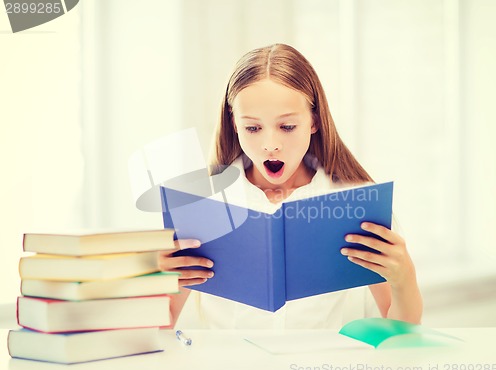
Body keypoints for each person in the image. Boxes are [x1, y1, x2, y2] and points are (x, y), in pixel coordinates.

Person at [159, 43, 422, 328]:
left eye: (286, 127)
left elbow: (400, 330)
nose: (270, 145)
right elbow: (164, 322)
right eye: (253, 128)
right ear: (234, 124)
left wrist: (404, 277)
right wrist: (154, 281)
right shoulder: (202, 205)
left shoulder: (355, 202)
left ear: (314, 121)